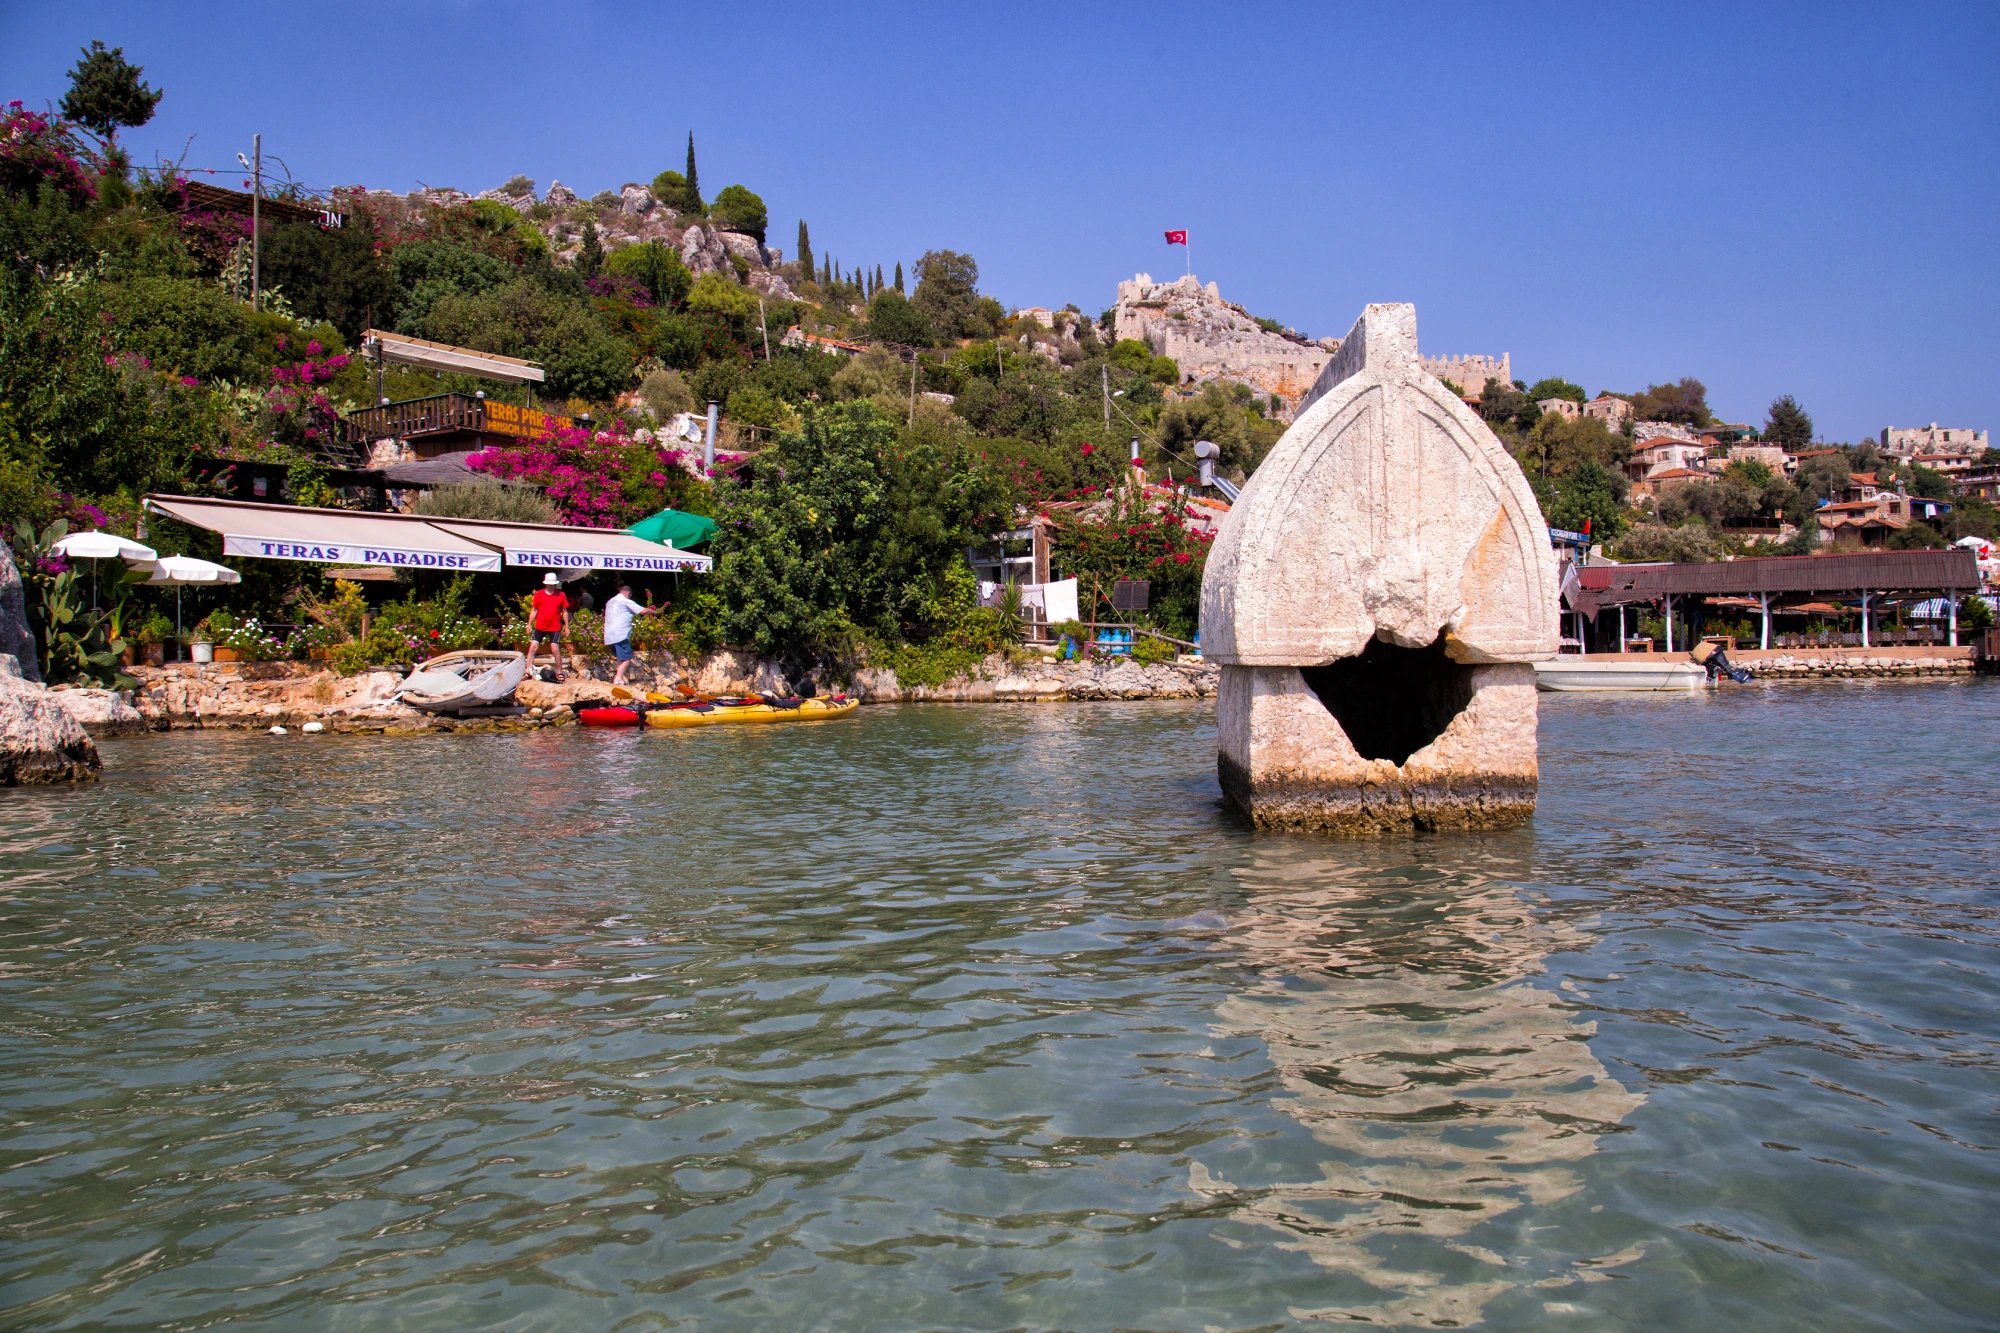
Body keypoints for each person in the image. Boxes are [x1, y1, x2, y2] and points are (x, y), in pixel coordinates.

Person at [603, 582, 658, 687]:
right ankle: (618, 678)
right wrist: (653, 612)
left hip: (609, 635)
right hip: (620, 634)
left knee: (620, 658)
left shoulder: (610, 601)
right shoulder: (625, 601)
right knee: (626, 658)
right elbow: (642, 611)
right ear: (628, 593)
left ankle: (618, 680)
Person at [524, 573, 569, 682]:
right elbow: (534, 610)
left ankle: (559, 671)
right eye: (549, 583)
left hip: (554, 626)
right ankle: (527, 670)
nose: (551, 585)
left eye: (553, 584)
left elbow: (564, 611)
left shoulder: (560, 595)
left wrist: (567, 626)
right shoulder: (539, 594)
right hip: (540, 626)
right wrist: (529, 624)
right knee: (533, 647)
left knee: (555, 649)